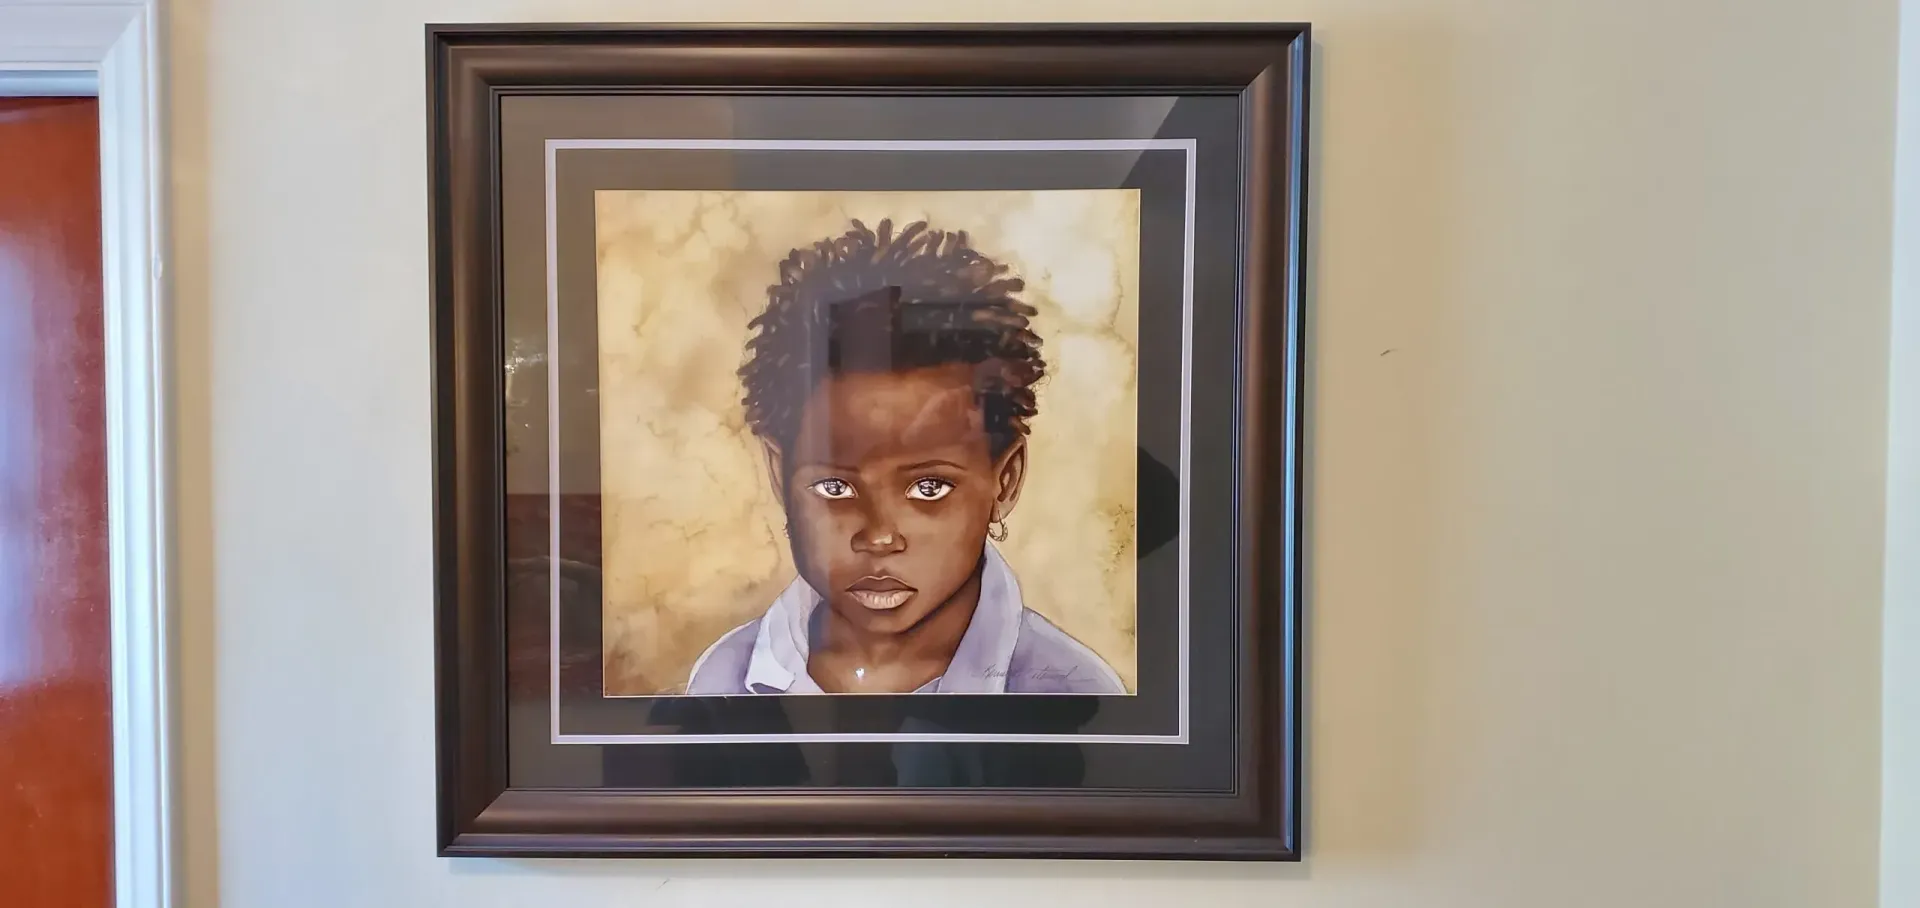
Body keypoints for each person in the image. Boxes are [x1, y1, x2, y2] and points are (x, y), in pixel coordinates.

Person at [685, 218, 1127, 695]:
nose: (879, 537)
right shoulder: (726, 679)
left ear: (1006, 480)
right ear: (778, 472)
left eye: (929, 487)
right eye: (835, 487)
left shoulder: (1074, 693)